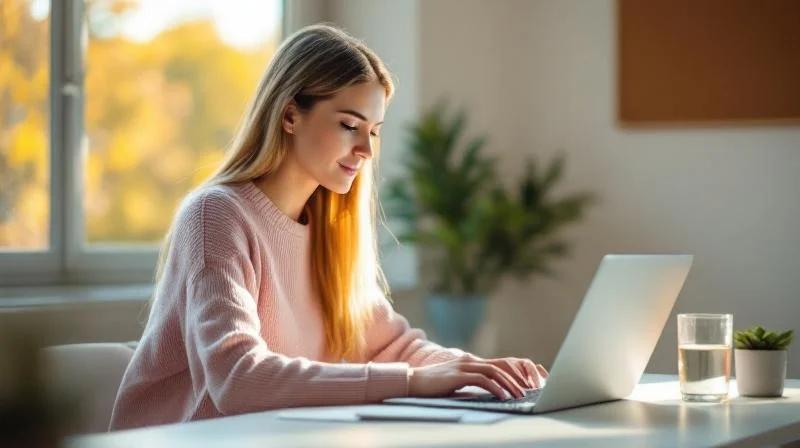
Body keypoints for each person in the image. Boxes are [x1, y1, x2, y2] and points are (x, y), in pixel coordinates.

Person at [108, 24, 547, 431]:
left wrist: (482, 372)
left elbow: (396, 348)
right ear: (290, 115)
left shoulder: (330, 230)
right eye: (349, 125)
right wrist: (413, 381)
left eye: (373, 131)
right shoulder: (216, 215)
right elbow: (238, 379)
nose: (365, 150)